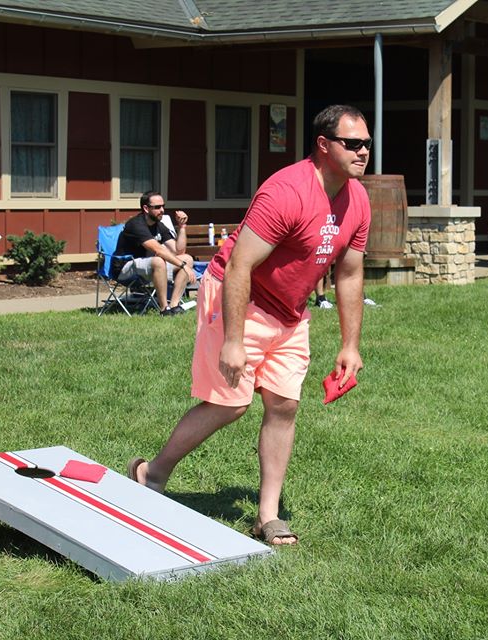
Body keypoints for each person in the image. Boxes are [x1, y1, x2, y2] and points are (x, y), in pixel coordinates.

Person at [128, 105, 372, 545]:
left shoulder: (357, 199)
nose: (363, 152)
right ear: (323, 145)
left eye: (367, 144)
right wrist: (234, 341)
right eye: (352, 144)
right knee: (230, 404)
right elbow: (239, 264)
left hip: (290, 311)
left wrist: (350, 344)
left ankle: (267, 516)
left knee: (284, 406)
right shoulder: (286, 192)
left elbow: (350, 273)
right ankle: (152, 473)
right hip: (240, 295)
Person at [114, 191, 196, 316]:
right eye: (157, 207)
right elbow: (159, 250)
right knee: (159, 260)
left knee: (188, 258)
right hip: (125, 268)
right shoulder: (136, 224)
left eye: (163, 206)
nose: (162, 210)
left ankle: (174, 306)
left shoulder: (159, 225)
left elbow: (179, 251)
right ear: (146, 208)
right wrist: (182, 265)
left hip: (148, 266)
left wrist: (182, 226)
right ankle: (164, 309)